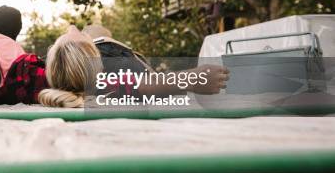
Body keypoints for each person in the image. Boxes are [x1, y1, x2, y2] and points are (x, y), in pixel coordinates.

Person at [39, 25, 229, 107]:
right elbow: (146, 86)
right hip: (114, 54)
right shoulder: (107, 69)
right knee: (96, 30)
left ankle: (95, 34)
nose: (72, 27)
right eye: (78, 34)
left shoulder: (68, 78)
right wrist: (196, 77)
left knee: (95, 30)